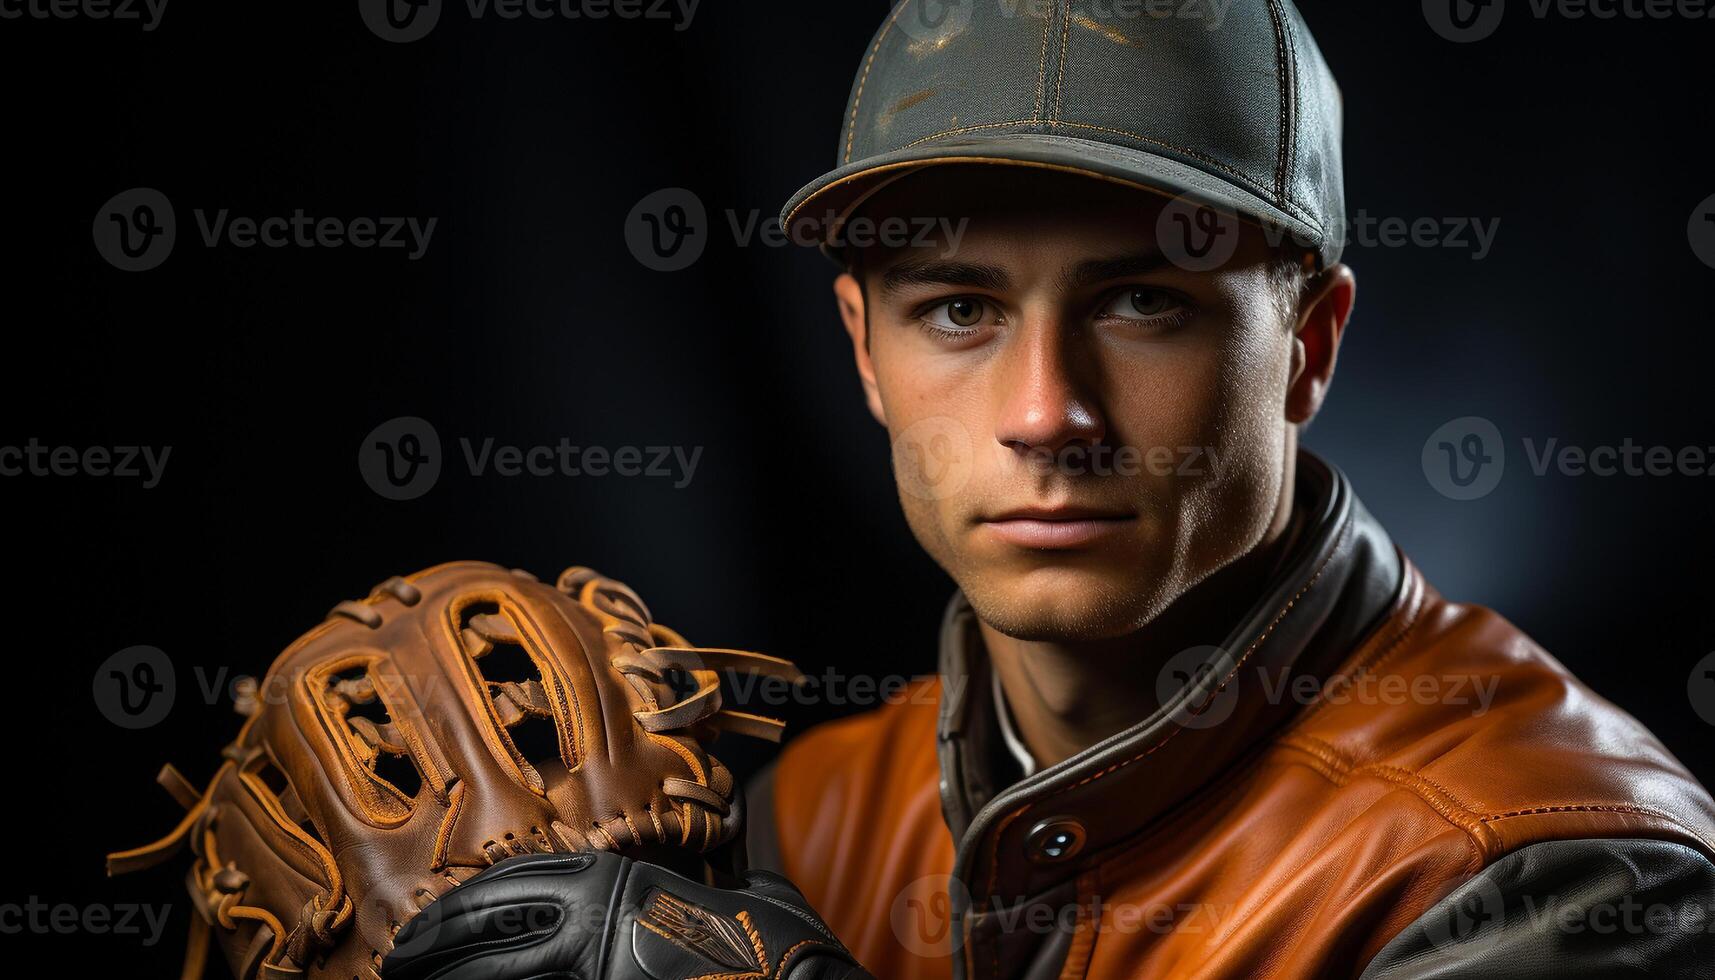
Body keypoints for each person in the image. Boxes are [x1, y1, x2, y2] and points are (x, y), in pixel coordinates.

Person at [382, 3, 1715, 977]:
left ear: (1307, 346)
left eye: (1143, 303)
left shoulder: (1555, 870)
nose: (1043, 415)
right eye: (959, 310)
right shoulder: (809, 815)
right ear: (863, 354)